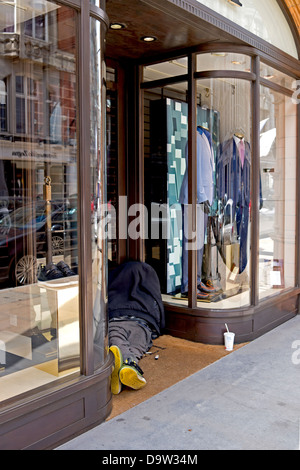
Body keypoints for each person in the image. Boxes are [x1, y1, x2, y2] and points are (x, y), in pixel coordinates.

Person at [108, 260, 165, 394]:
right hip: (142, 325)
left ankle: (124, 366)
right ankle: (130, 364)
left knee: (117, 340)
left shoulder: (115, 287)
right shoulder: (147, 290)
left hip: (116, 320)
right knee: (137, 347)